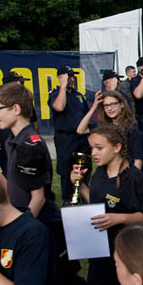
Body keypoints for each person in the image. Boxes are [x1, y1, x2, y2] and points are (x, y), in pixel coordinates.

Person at [0, 82, 88, 285]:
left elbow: (38, 198)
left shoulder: (29, 145)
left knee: (61, 283)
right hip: (32, 224)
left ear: (15, 108)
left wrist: (21, 228)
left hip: (42, 226)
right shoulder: (13, 140)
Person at [69, 125, 143, 285]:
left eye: (99, 148)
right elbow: (98, 205)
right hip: (100, 249)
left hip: (128, 252)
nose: (94, 153)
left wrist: (119, 218)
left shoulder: (135, 178)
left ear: (118, 147)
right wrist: (79, 186)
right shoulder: (99, 174)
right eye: (92, 148)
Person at [48, 65, 91, 201]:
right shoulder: (56, 94)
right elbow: (59, 107)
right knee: (67, 170)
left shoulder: (78, 95)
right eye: (68, 76)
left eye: (72, 76)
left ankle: (83, 195)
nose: (72, 79)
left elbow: (85, 115)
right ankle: (68, 198)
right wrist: (62, 86)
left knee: (85, 167)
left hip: (81, 137)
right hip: (65, 138)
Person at [76, 90, 143, 169]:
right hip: (106, 172)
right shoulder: (102, 126)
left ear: (121, 104)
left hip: (126, 171)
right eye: (106, 105)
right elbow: (80, 130)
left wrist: (134, 177)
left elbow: (138, 158)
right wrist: (94, 107)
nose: (109, 108)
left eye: (113, 104)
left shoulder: (131, 127)